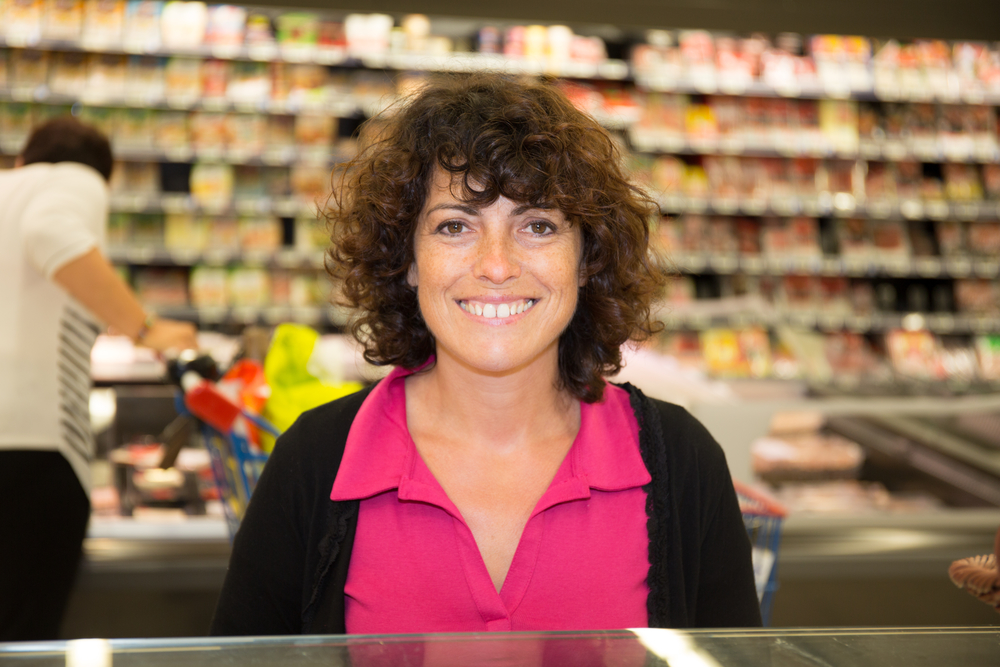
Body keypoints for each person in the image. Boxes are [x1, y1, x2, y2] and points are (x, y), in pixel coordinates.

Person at [211, 73, 761, 636]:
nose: (496, 266)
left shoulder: (682, 463)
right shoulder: (313, 462)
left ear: (586, 258)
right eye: (455, 226)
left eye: (537, 225)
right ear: (408, 259)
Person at [0, 116, 198, 641]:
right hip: (32, 454)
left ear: (21, 159)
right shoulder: (75, 180)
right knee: (21, 642)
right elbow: (50, 232)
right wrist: (146, 329)